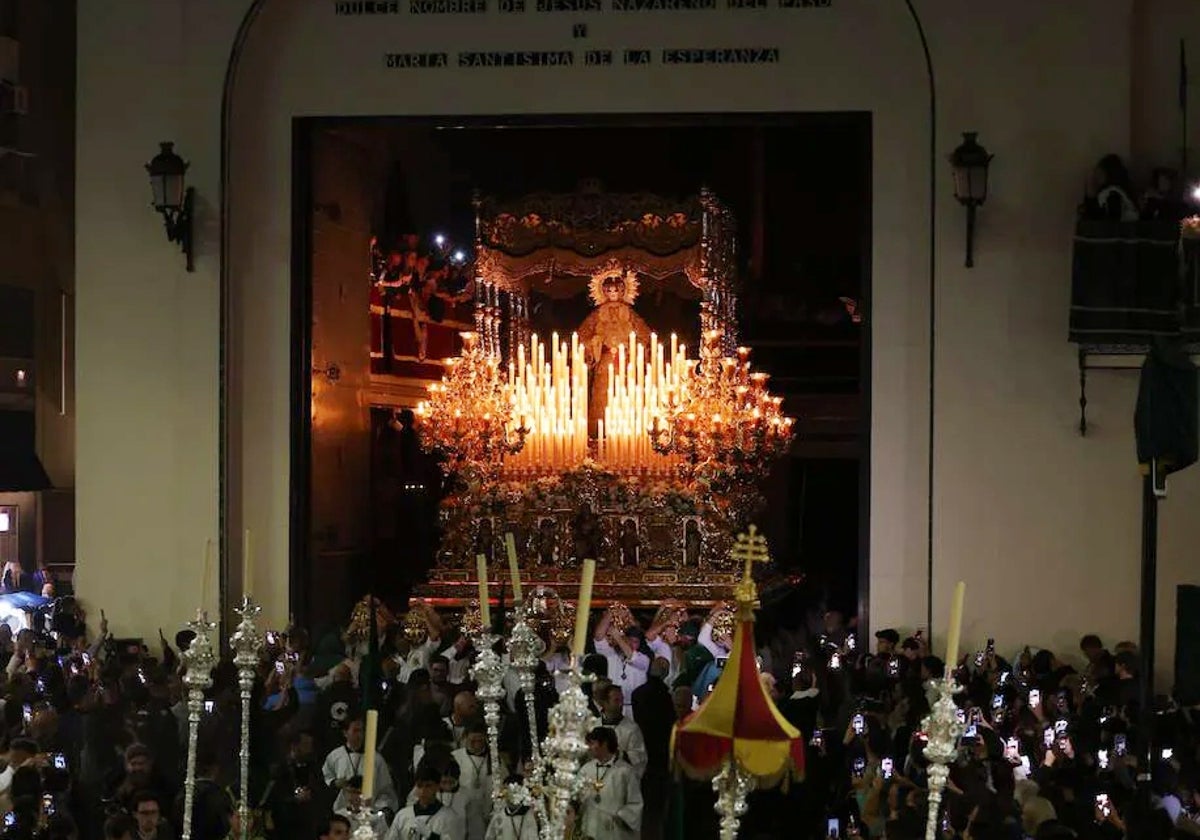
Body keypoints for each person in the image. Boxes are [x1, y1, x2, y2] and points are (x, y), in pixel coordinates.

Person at [576, 268, 652, 436]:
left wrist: (633, 347)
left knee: (626, 391)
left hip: (626, 361)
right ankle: (601, 431)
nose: (613, 293)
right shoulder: (597, 314)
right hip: (605, 360)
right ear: (603, 291)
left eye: (616, 290)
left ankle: (627, 430)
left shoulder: (630, 314)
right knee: (603, 394)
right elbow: (582, 335)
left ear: (623, 290)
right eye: (609, 290)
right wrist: (595, 342)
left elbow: (645, 335)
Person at [577, 727, 642, 840]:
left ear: (604, 744)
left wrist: (620, 817)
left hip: (615, 832)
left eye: (593, 743)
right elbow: (576, 796)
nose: (589, 748)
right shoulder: (586, 770)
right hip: (590, 830)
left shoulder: (625, 772)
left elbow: (635, 804)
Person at [387, 764, 464, 839]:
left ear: (437, 787)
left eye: (428, 786)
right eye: (419, 786)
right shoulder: (403, 815)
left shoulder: (449, 818)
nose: (423, 791)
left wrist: (432, 836)